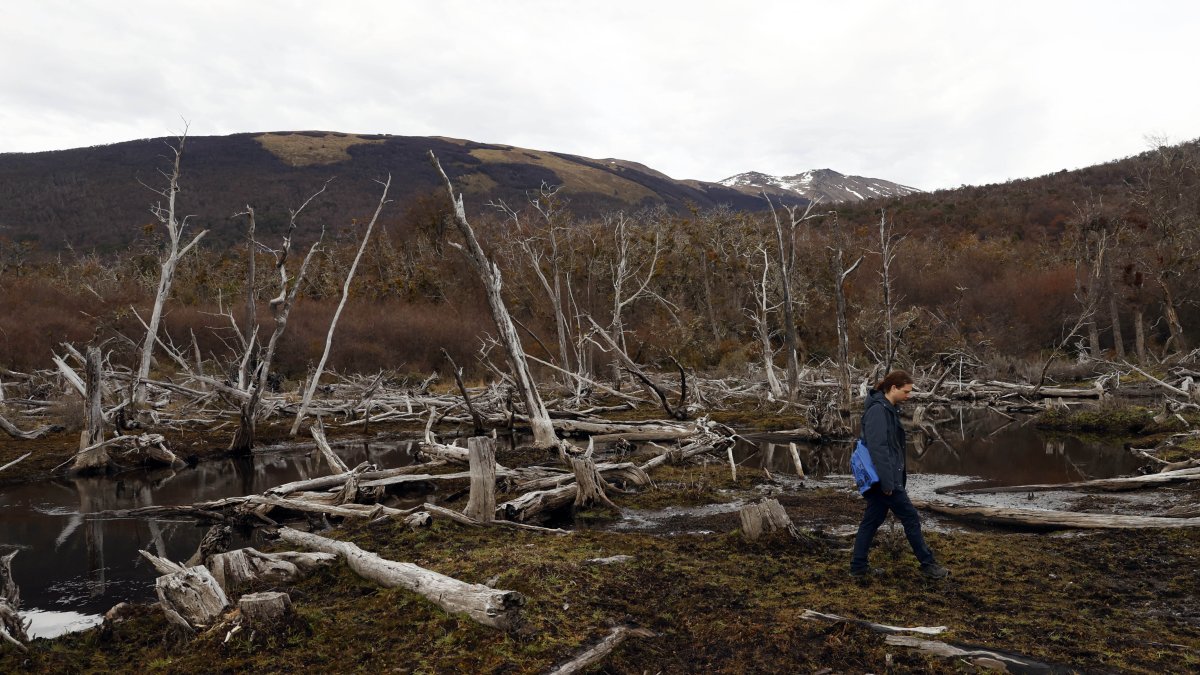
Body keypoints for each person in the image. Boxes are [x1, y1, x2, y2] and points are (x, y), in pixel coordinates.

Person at [850, 370, 950, 579]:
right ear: (893, 388)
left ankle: (858, 567)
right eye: (906, 391)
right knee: (910, 517)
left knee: (872, 519)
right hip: (883, 480)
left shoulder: (888, 408)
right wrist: (888, 483)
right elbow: (879, 449)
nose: (909, 395)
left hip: (885, 478)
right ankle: (928, 564)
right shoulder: (878, 411)